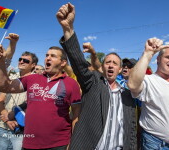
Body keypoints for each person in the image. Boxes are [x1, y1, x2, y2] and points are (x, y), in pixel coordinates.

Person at [57, 3, 137, 150]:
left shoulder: (128, 95)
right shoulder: (93, 82)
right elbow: (79, 63)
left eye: (115, 63)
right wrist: (68, 29)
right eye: (108, 62)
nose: (111, 65)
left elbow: (131, 128)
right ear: (102, 66)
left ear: (120, 70)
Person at [0, 44, 81, 149]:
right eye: (47, 55)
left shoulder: (72, 83)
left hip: (59, 144)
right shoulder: (31, 79)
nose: (48, 58)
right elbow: (4, 86)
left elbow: (76, 115)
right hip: (30, 143)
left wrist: (74, 143)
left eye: (53, 56)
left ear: (63, 62)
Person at [128, 38, 169, 149]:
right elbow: (132, 84)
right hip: (155, 144)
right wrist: (147, 53)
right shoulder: (148, 80)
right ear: (158, 59)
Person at [0, 51, 38, 150]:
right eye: (20, 59)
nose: (21, 62)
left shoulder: (38, 82)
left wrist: (13, 116)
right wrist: (6, 116)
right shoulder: (10, 78)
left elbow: (35, 106)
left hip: (22, 130)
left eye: (25, 60)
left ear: (33, 65)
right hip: (2, 126)